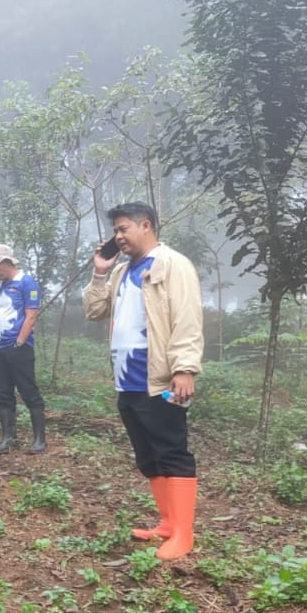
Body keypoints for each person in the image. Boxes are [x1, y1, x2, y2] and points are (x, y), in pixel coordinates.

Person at [83, 201, 203, 560]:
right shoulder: (122, 271)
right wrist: (100, 273)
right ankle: (167, 523)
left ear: (145, 225)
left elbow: (187, 318)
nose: (117, 237)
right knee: (148, 454)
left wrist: (184, 368)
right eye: (115, 231)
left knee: (172, 451)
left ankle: (184, 534)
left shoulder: (172, 265)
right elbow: (93, 311)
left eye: (123, 229)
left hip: (160, 378)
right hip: (128, 379)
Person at [0, 244, 47, 454]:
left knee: (28, 391)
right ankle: (8, 438)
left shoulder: (26, 282)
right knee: (3, 393)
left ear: (7, 262)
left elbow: (31, 315)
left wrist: (20, 342)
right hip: (0, 347)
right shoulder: (3, 285)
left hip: (19, 347)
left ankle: (40, 440)